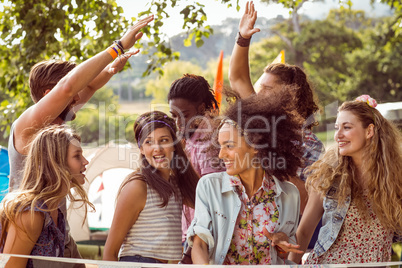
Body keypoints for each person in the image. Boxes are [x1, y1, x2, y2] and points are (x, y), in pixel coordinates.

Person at [7, 15, 154, 263]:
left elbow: (87, 88)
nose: (77, 99)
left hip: (58, 231)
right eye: (72, 93)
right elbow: (68, 88)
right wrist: (118, 45)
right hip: (31, 233)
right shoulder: (26, 127)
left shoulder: (56, 127)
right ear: (48, 94)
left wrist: (110, 69)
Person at [228, 1, 324, 215]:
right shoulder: (259, 121)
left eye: (267, 89)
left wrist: (269, 154)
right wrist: (243, 38)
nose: (258, 94)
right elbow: (237, 78)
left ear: (291, 95)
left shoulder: (309, 143)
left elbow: (306, 201)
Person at [187, 93, 305, 265]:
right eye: (220, 146)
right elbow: (199, 243)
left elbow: (281, 254)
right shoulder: (209, 186)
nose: (221, 154)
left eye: (229, 146)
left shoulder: (289, 194)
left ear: (256, 144)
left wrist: (280, 240)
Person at [288, 95, 402, 264]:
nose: (338, 136)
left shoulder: (395, 178)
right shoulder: (328, 175)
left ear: (369, 131)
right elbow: (303, 232)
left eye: (346, 127)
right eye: (336, 128)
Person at [103, 111, 199, 263]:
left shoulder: (176, 185)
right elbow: (110, 253)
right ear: (141, 148)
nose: (157, 148)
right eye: (149, 142)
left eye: (164, 140)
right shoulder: (138, 186)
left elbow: (208, 205)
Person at [0, 125, 93, 268]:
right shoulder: (31, 214)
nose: (85, 162)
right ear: (55, 163)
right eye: (77, 156)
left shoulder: (56, 212)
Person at [168, 74, 225, 249]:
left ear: (201, 108)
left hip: (205, 236)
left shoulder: (209, 145)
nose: (178, 122)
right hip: (192, 231)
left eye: (184, 115)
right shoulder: (189, 139)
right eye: (174, 116)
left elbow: (212, 198)